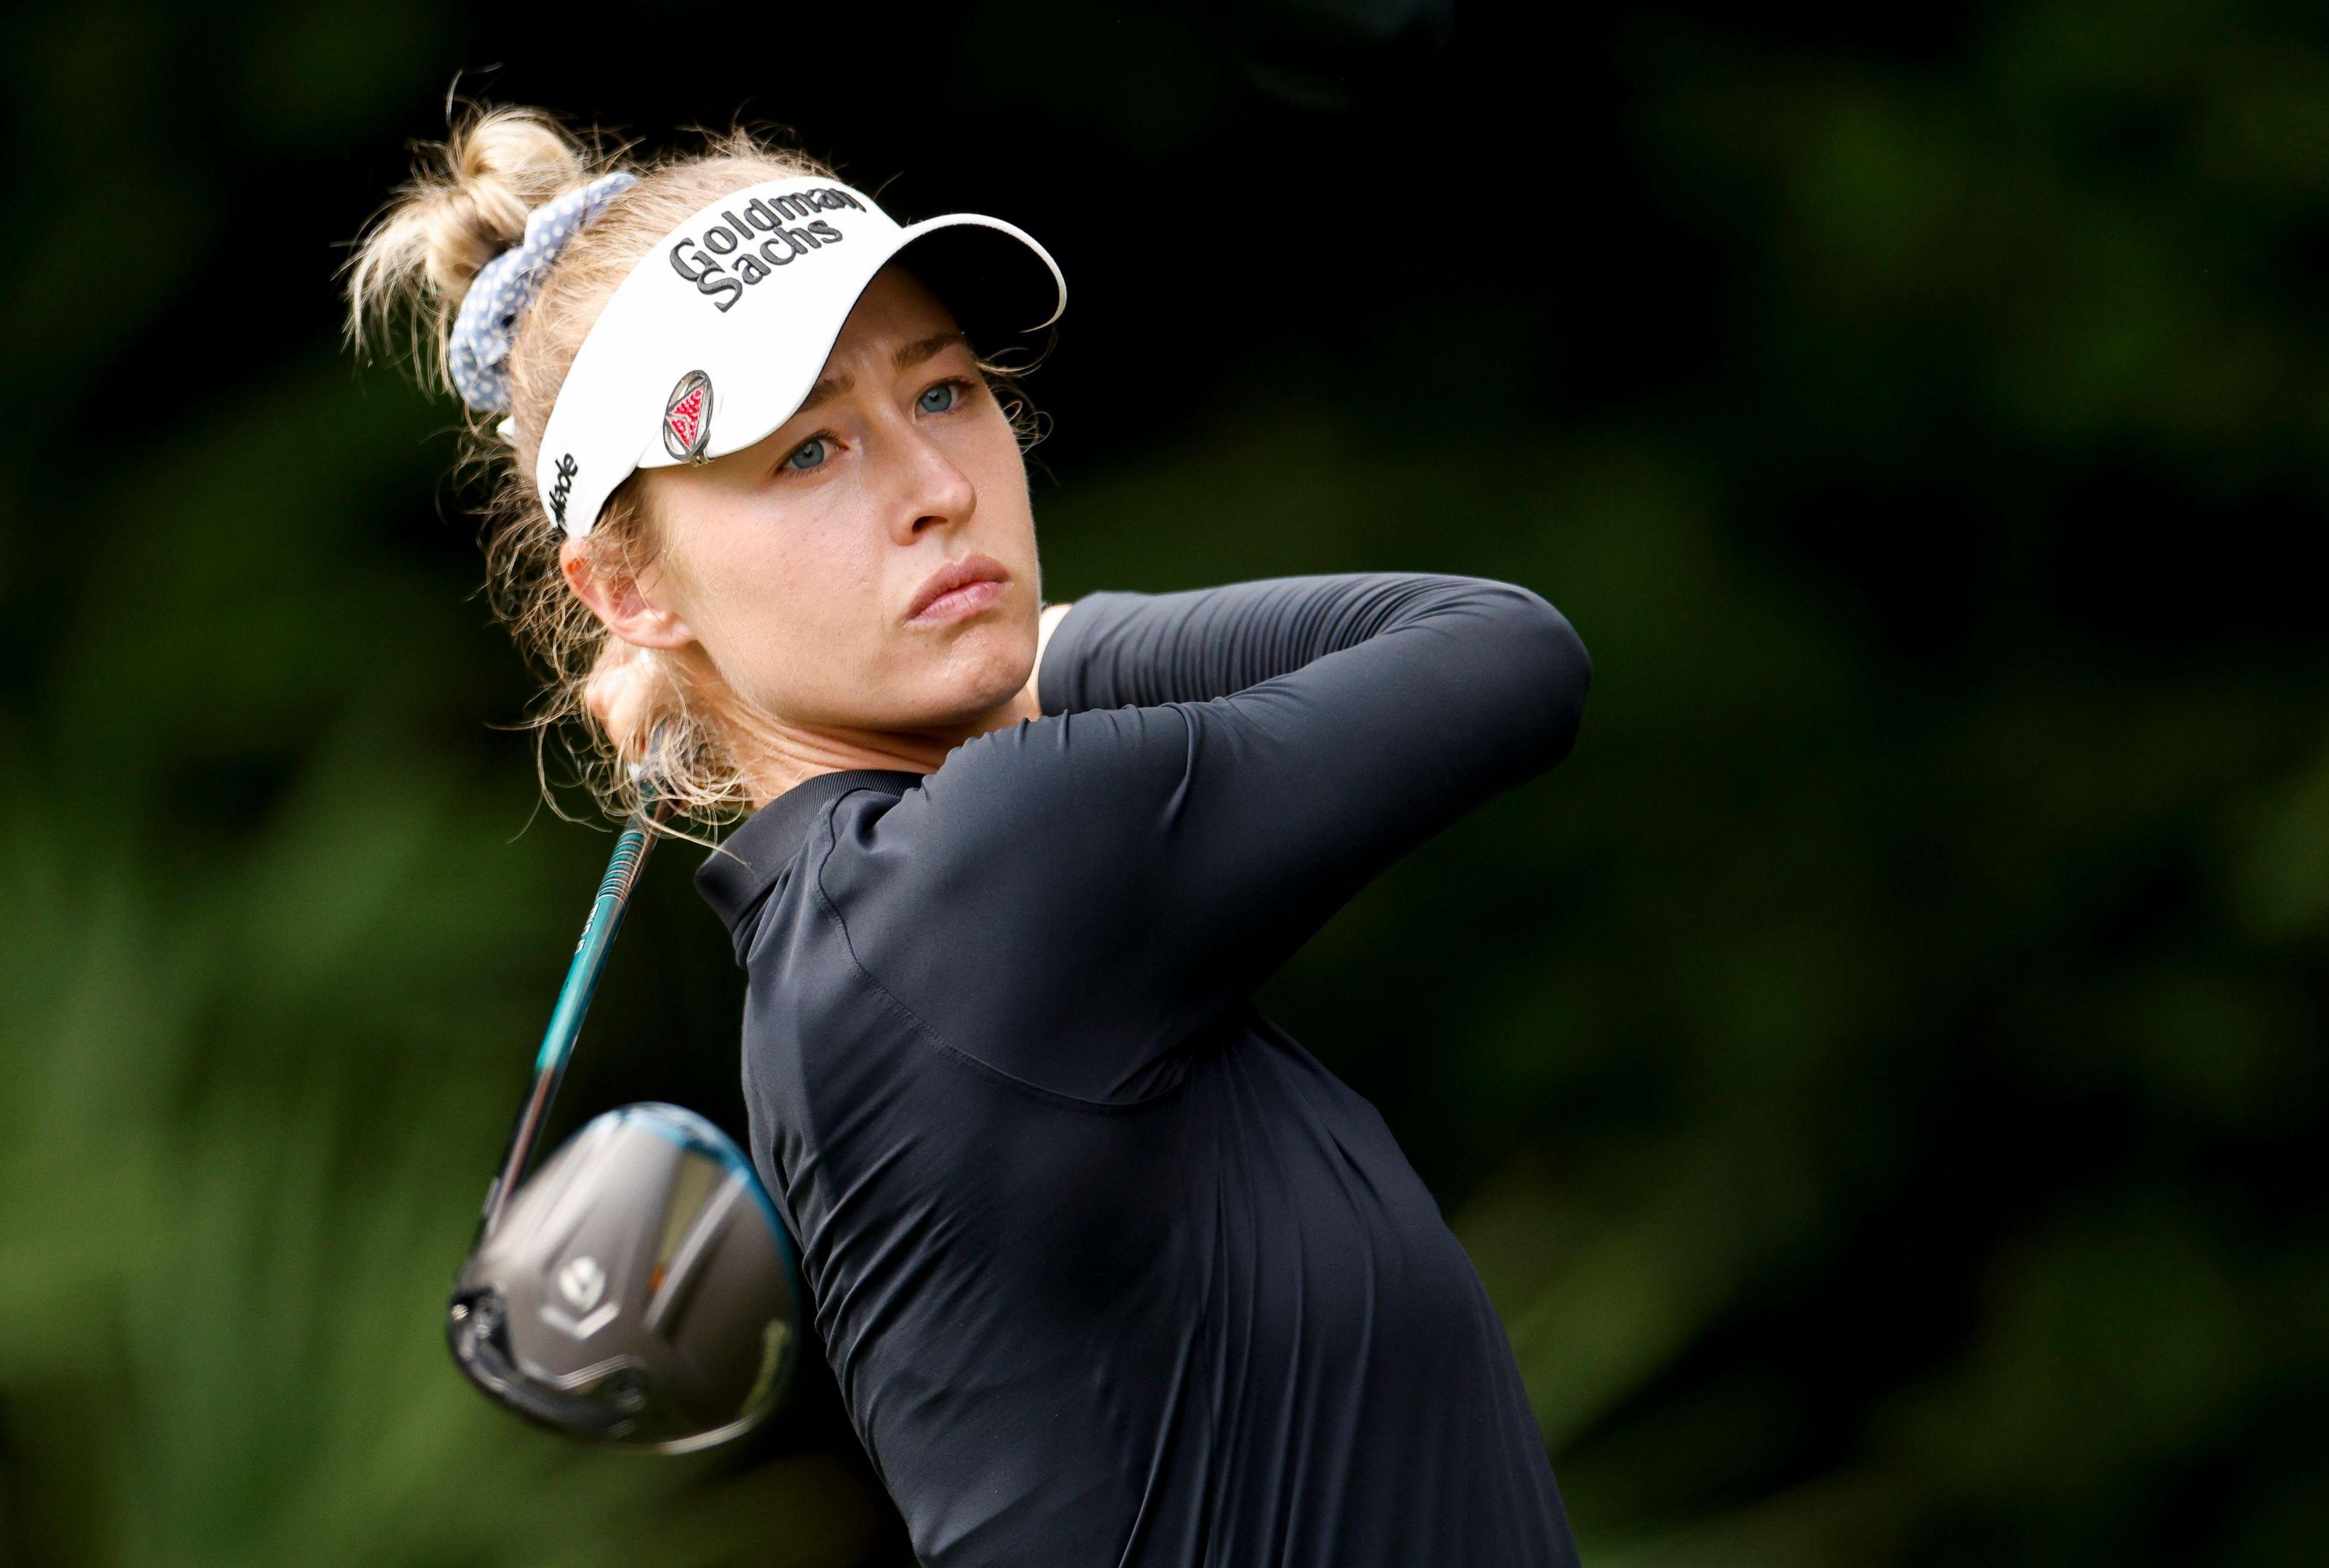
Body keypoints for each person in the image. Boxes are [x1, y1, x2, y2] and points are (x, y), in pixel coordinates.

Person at [349, 105, 1591, 1567]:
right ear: (630, 592)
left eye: (942, 392)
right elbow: (1501, 651)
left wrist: (990, 654)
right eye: (809, 451)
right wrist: (1036, 647)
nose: (939, 491)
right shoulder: (987, 876)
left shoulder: (855, 936)